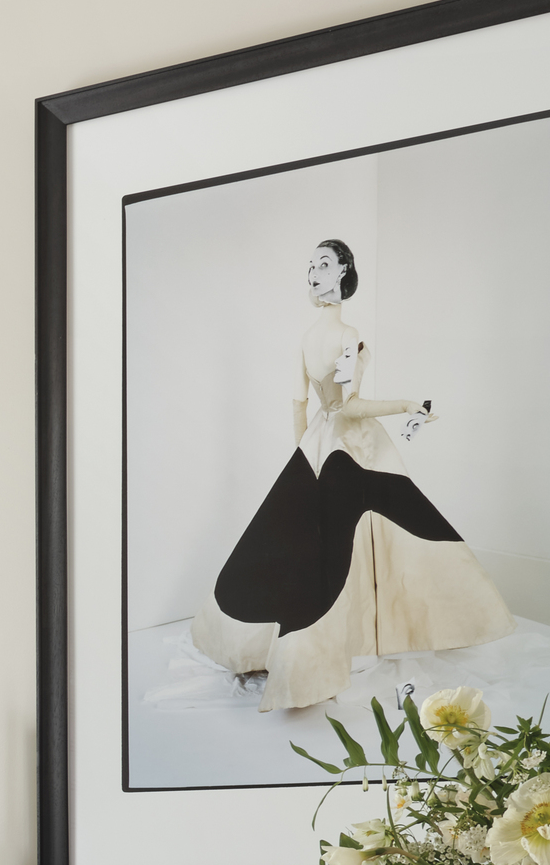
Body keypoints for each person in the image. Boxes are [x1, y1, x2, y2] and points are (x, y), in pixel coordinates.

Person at [190, 235, 510, 715]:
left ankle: (330, 643)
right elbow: (350, 405)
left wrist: (302, 454)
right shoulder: (347, 335)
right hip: (348, 445)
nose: (314, 272)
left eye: (323, 263)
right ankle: (334, 645)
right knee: (369, 535)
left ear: (343, 270)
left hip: (319, 443)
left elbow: (303, 405)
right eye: (310, 265)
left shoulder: (309, 337)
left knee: (332, 541)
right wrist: (407, 405)